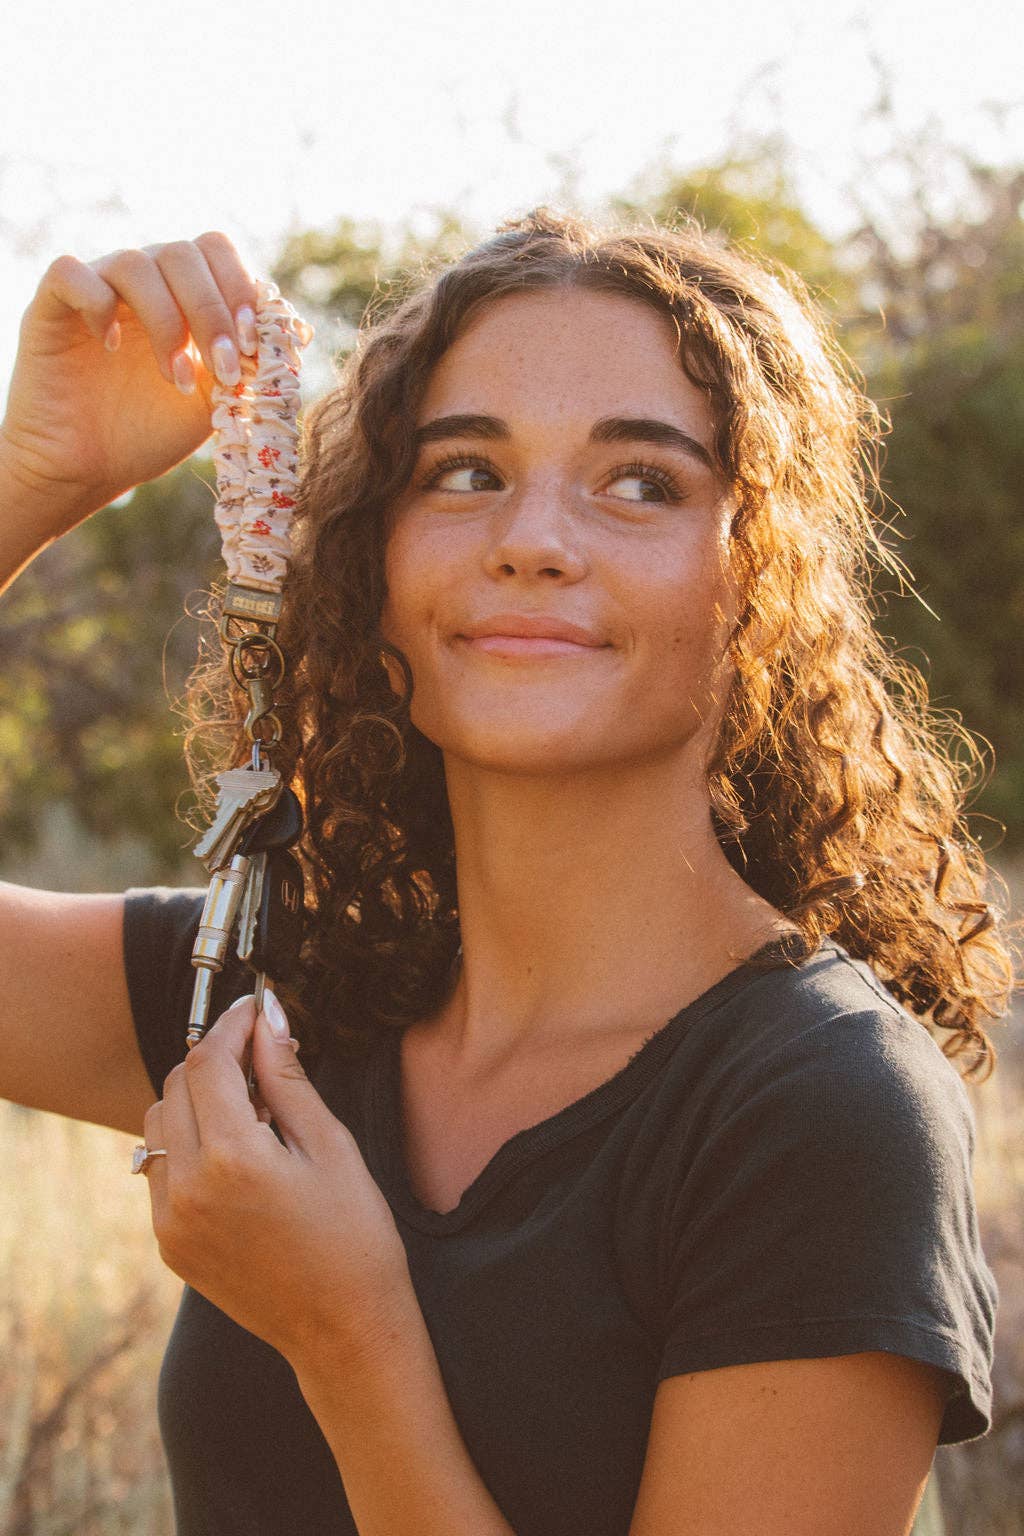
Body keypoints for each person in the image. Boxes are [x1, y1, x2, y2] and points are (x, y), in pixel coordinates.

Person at [0, 209, 1012, 1536]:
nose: (532, 538)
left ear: (758, 583)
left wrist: (349, 1343)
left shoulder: (820, 1112)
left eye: (641, 481)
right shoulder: (286, 996)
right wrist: (33, 477)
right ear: (375, 554)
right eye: (465, 472)